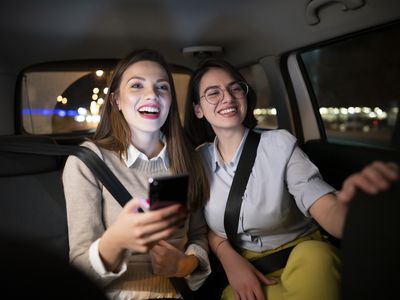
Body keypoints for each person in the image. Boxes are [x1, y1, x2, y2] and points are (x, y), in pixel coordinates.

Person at [184, 58, 399, 300]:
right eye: (213, 93)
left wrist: (359, 212)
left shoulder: (279, 145)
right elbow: (202, 227)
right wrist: (229, 259)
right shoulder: (196, 162)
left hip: (305, 257)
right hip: (246, 273)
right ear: (198, 110)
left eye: (235, 88)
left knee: (317, 262)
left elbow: (322, 204)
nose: (228, 97)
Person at [63, 49, 211, 300]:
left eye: (162, 87)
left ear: (170, 101)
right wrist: (116, 240)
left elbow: (198, 235)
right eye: (137, 86)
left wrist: (184, 265)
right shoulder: (87, 163)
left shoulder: (189, 159)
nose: (152, 95)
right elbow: (79, 272)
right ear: (116, 101)